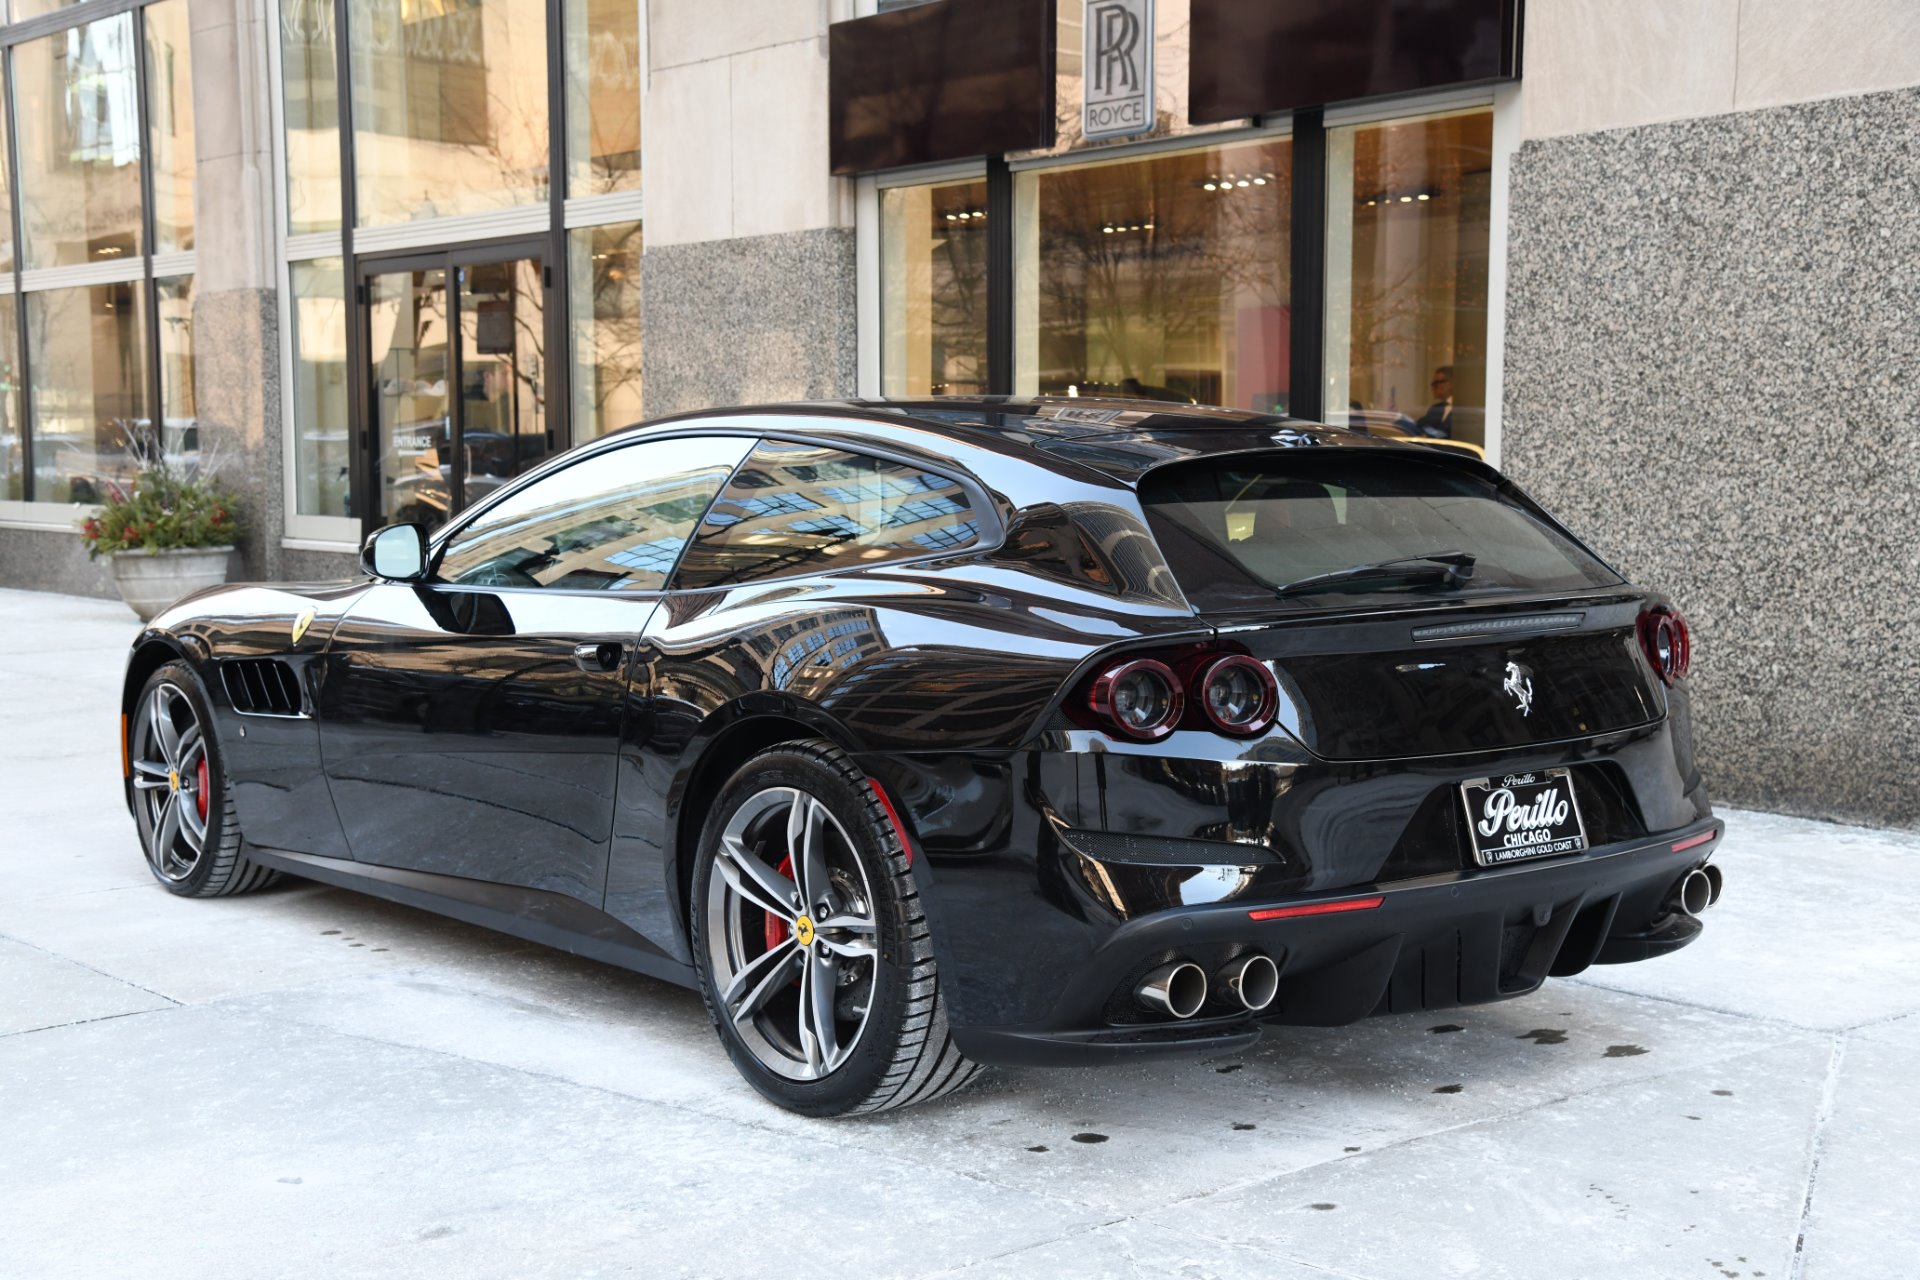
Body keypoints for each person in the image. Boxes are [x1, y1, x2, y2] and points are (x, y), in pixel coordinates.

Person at [1413, 366, 1455, 438]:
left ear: (1450, 383)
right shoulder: (1435, 408)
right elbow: (1418, 426)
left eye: (1436, 383)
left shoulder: (1463, 408)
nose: (1433, 387)